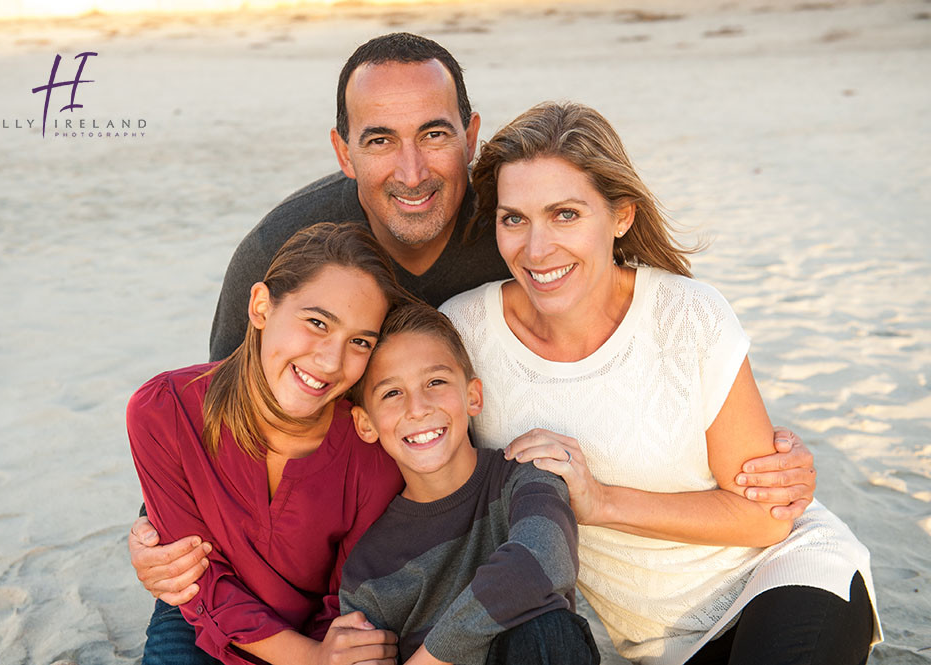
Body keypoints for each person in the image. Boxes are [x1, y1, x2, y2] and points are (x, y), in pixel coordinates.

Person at [127, 32, 818, 656]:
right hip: (239, 574)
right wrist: (153, 532)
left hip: (379, 551)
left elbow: (643, 330)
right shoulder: (281, 253)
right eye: (378, 140)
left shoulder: (519, 232)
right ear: (342, 151)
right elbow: (215, 417)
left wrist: (765, 458)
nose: (412, 170)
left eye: (433, 134)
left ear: (470, 134)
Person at [439, 101, 882, 665]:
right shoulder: (465, 333)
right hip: (661, 645)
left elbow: (763, 518)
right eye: (514, 218)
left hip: (782, 575)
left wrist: (598, 502)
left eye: (566, 214)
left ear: (620, 216)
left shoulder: (687, 315)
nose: (536, 248)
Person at [127, 223, 410, 665]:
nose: (331, 361)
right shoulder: (163, 410)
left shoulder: (372, 456)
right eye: (317, 322)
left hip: (320, 637)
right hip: (202, 621)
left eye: (359, 342)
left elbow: (345, 599)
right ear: (261, 306)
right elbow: (195, 578)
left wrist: (325, 652)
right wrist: (308, 659)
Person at [341, 303, 599, 665]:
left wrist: (429, 658)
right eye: (392, 393)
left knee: (548, 628)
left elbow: (543, 560)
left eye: (435, 382)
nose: (418, 408)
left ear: (473, 396)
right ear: (365, 424)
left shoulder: (525, 477)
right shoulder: (369, 567)